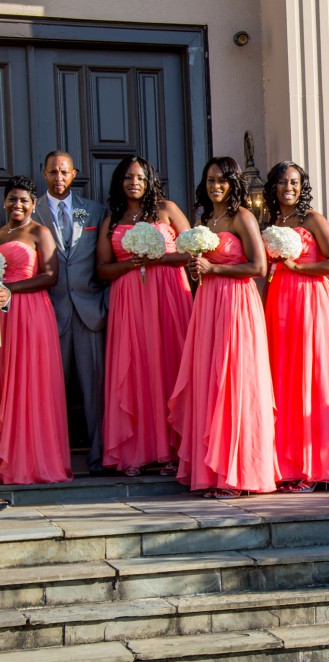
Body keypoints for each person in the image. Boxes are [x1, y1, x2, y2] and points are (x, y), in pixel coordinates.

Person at [168, 157, 278, 497]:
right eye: (211, 179)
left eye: (222, 180)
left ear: (233, 183)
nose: (216, 185)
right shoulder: (204, 220)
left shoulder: (242, 217)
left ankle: (238, 472)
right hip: (208, 304)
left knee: (233, 380)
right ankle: (212, 469)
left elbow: (258, 267)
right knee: (210, 379)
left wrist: (214, 269)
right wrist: (197, 268)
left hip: (236, 303)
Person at [96, 156, 193, 477]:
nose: (133, 182)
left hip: (168, 295)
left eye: (139, 177)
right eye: (127, 177)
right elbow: (103, 269)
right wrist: (132, 263)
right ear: (119, 182)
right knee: (135, 367)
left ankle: (174, 450)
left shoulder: (167, 209)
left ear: (150, 180)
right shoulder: (112, 219)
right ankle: (136, 451)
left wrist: (158, 257)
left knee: (169, 363)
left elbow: (191, 252)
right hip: (129, 300)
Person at [263, 160, 329, 492]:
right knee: (285, 380)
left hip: (312, 301)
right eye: (282, 181)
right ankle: (288, 464)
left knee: (312, 380)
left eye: (294, 182)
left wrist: (298, 267)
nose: (288, 187)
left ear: (302, 187)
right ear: (273, 186)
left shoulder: (312, 219)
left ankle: (316, 468)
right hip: (279, 302)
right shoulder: (271, 222)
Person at [35, 151, 107, 473]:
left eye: (64, 172)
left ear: (74, 174)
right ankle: (51, 461)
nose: (59, 178)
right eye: (53, 172)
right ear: (44, 173)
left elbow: (106, 258)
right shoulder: (31, 211)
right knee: (49, 392)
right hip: (49, 314)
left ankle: (99, 457)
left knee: (95, 392)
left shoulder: (93, 211)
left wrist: (106, 302)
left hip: (90, 312)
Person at [0, 176, 71, 484]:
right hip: (3, 314)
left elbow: (50, 276)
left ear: (33, 204)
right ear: (5, 201)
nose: (17, 205)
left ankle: (32, 461)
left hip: (30, 312)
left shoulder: (40, 232)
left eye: (24, 200)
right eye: (12, 199)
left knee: (29, 381)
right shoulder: (0, 233)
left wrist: (9, 289)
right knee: (6, 381)